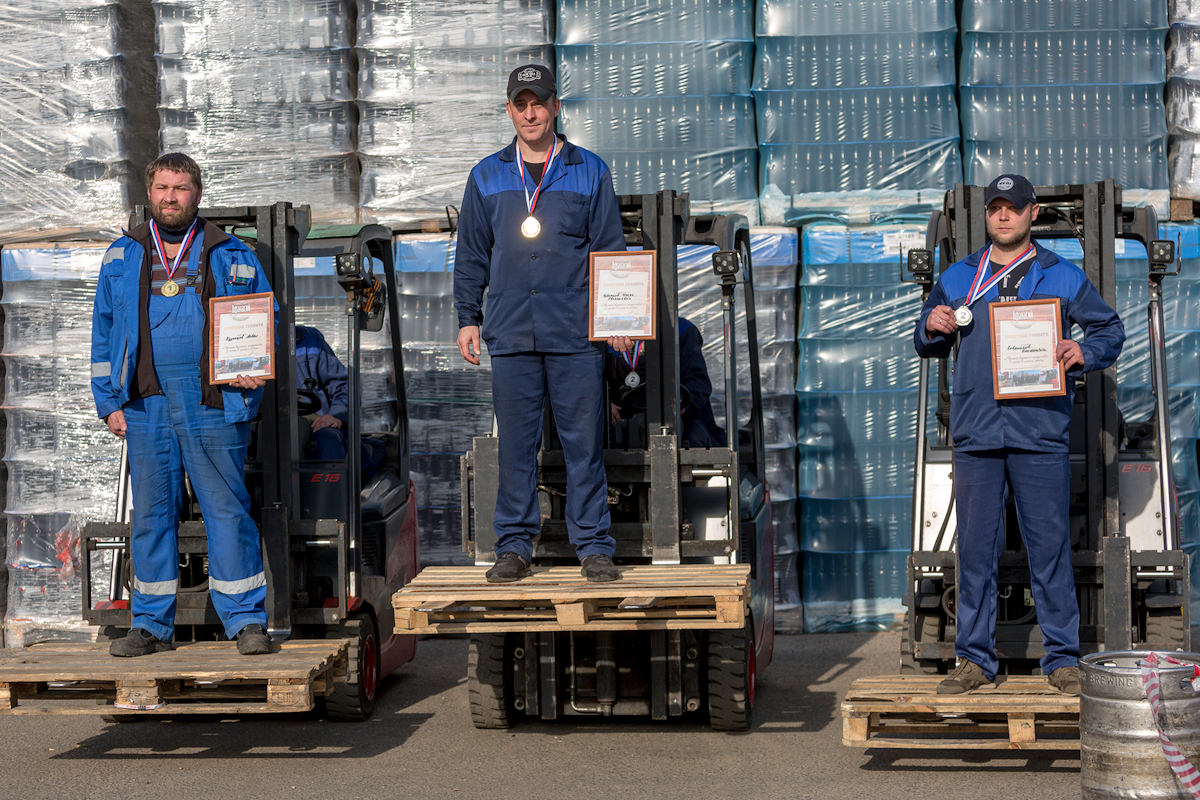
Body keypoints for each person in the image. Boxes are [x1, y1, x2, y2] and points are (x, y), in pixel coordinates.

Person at [913, 173, 1126, 696]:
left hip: (1039, 433)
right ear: (986, 216)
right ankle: (974, 661)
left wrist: (1085, 353)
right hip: (978, 435)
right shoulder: (960, 276)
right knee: (977, 553)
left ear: (1033, 214)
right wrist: (931, 323)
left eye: (1013, 207)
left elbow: (1109, 330)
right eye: (994, 208)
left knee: (1048, 547)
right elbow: (928, 340)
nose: (1003, 216)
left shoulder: (1063, 276)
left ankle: (1063, 659)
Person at [91, 152, 275, 657]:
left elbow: (266, 325)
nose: (170, 197)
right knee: (151, 515)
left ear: (198, 194)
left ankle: (245, 621)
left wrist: (251, 381)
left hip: (213, 403)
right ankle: (150, 624)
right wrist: (108, 402)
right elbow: (104, 335)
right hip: (147, 403)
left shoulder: (232, 253)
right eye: (162, 188)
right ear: (148, 193)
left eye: (181, 188)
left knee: (227, 510)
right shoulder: (121, 256)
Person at [454, 64, 626, 584]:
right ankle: (514, 546)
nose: (530, 113)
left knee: (583, 443)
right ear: (509, 110)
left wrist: (618, 315)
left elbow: (610, 250)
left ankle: (593, 545)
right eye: (520, 103)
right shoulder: (486, 175)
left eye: (539, 102)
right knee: (516, 447)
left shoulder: (589, 170)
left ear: (556, 106)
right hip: (511, 334)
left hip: (574, 334)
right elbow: (471, 256)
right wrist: (468, 319)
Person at [606, 318, 726, 449]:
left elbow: (697, 381)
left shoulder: (680, 329)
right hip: (618, 419)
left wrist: (679, 404)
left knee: (691, 442)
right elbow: (588, 379)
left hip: (673, 417)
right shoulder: (603, 331)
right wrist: (604, 404)